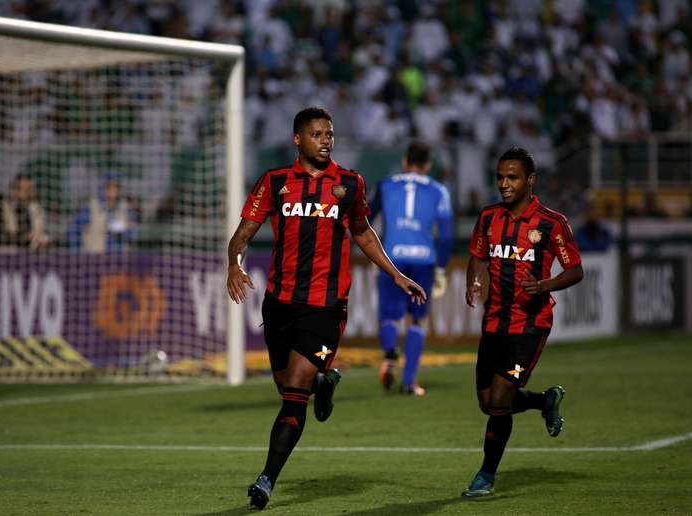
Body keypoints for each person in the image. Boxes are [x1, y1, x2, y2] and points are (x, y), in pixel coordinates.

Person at [226, 107, 426, 510]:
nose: (325, 140)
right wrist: (234, 262)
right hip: (280, 303)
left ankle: (266, 479)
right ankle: (324, 383)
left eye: (329, 134)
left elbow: (364, 234)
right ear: (297, 139)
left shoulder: (349, 184)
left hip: (326, 305)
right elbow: (244, 232)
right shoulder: (276, 182)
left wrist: (395, 274)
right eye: (316, 134)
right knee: (287, 386)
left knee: (293, 392)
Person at [462, 146, 584, 498]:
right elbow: (477, 256)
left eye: (512, 177)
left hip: (530, 325)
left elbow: (575, 269)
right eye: (500, 176)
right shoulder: (488, 217)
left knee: (500, 398)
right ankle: (544, 400)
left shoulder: (551, 223)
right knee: (488, 402)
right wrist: (473, 281)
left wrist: (545, 285)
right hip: (494, 323)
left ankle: (485, 475)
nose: (504, 183)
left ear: (530, 179)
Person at [369, 140, 453, 395]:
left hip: (392, 258)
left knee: (389, 316)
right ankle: (408, 382)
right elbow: (447, 236)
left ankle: (391, 354)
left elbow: (366, 218)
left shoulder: (385, 184)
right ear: (427, 165)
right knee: (417, 319)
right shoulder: (440, 191)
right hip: (423, 260)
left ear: (405, 162)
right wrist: (440, 267)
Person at [67, 171, 137, 252]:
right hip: (94, 259)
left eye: (116, 187)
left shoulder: (125, 208)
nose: (113, 191)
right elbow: (73, 232)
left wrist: (123, 229)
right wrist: (78, 254)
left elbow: (133, 234)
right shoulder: (91, 207)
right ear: (103, 188)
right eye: (109, 187)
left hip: (119, 260)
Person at [0, 173, 49, 250]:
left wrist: (41, 239)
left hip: (29, 254)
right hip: (4, 253)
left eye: (30, 189)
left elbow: (39, 233)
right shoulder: (0, 205)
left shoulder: (36, 208)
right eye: (24, 189)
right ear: (14, 189)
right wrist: (25, 238)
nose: (28, 193)